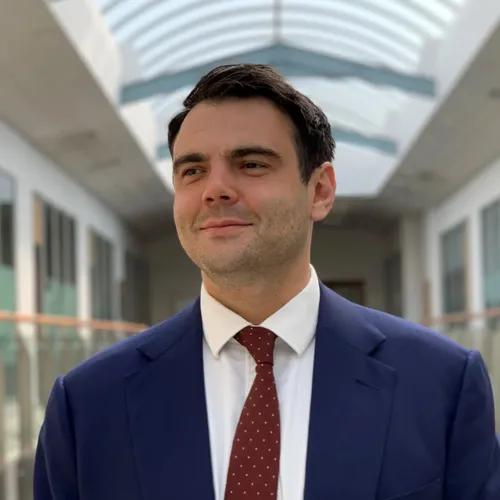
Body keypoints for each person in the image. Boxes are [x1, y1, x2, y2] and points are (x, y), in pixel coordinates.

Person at [34, 64, 500, 500]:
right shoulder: (87, 404)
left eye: (251, 164)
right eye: (192, 171)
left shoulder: (440, 384)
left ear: (320, 190)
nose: (215, 189)